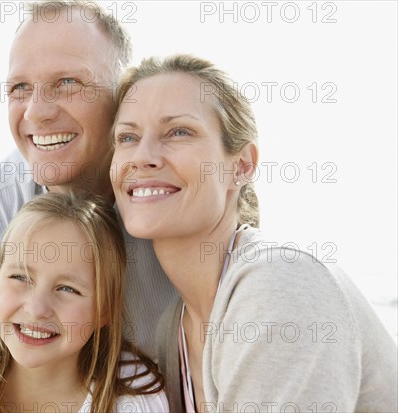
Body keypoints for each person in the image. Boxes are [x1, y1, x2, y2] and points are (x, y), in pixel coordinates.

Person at [110, 54, 398, 412]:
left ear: (242, 165)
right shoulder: (176, 328)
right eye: (127, 137)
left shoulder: (280, 283)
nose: (143, 155)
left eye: (179, 132)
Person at [0, 0, 177, 362]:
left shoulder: (175, 193)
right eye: (20, 88)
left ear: (122, 96)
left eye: (68, 82)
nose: (36, 111)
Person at [0, 192, 169, 412]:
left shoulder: (135, 401)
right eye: (20, 277)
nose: (37, 309)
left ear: (104, 310)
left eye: (67, 288)